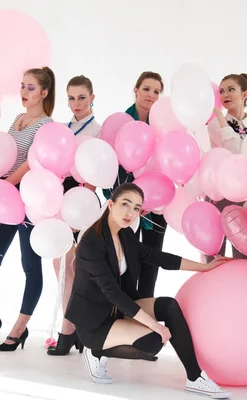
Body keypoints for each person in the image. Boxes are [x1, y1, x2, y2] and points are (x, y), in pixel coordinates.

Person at [65, 183, 232, 398]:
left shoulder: (125, 235)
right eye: (125, 204)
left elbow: (156, 257)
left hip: (117, 309)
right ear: (110, 204)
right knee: (153, 342)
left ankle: (195, 378)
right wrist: (155, 326)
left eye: (136, 208)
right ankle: (94, 350)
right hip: (95, 321)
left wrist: (205, 266)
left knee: (168, 306)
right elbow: (112, 292)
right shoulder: (90, 243)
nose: (130, 213)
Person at [0, 67, 55, 352]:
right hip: (4, 200)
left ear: (45, 93)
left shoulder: (46, 126)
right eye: (23, 86)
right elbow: (6, 153)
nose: (24, 92)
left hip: (29, 204)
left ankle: (19, 328)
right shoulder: (18, 118)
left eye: (31, 88)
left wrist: (5, 185)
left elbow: (31, 162)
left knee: (30, 268)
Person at [102, 72, 167, 301]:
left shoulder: (165, 125)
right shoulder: (120, 123)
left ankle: (146, 314)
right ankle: (123, 314)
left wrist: (152, 201)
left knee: (152, 261)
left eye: (156, 91)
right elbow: (108, 168)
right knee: (124, 260)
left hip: (157, 207)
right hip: (126, 206)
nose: (151, 95)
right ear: (136, 90)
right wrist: (131, 203)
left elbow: (169, 164)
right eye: (147, 89)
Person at [48, 75, 101, 356]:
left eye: (82, 97)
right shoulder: (65, 128)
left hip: (81, 200)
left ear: (93, 98)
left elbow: (94, 176)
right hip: (60, 197)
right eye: (71, 97)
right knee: (62, 267)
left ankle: (67, 333)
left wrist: (80, 204)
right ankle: (75, 329)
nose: (76, 103)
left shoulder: (97, 131)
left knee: (71, 268)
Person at [206, 73, 247, 262]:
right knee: (215, 258)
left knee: (244, 259)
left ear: (245, 94)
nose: (225, 95)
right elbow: (235, 154)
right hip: (219, 196)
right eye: (222, 91)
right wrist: (222, 120)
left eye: (231, 89)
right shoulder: (214, 124)